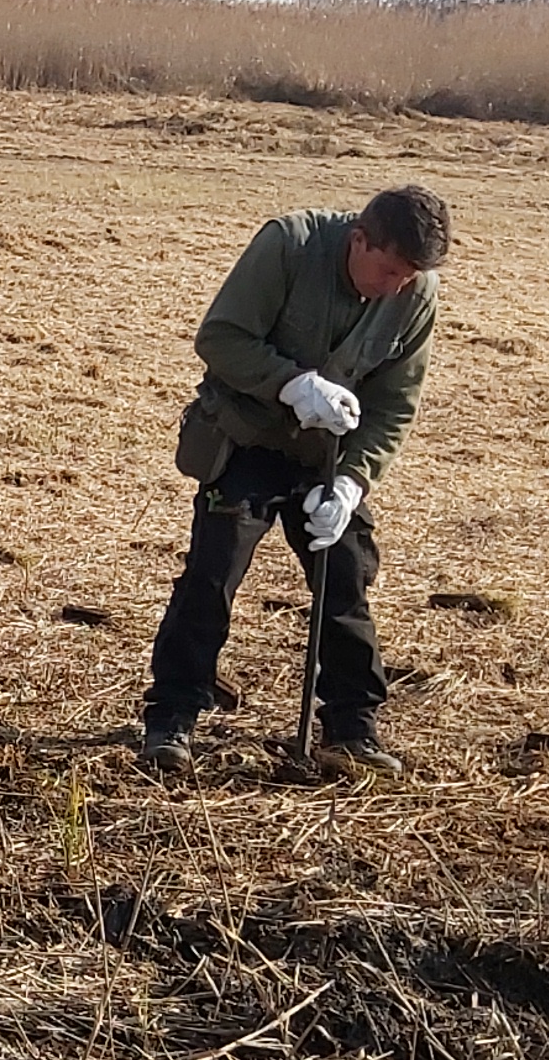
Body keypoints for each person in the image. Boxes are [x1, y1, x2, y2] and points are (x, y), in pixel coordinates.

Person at [135, 184, 452, 778]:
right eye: (387, 271)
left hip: (327, 459)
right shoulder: (288, 245)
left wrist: (354, 480)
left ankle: (352, 728)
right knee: (212, 574)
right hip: (245, 439)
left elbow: (395, 405)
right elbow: (220, 339)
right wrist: (294, 384)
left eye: (409, 278)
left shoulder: (416, 295)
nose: (396, 288)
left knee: (346, 578)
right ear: (360, 240)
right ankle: (171, 719)